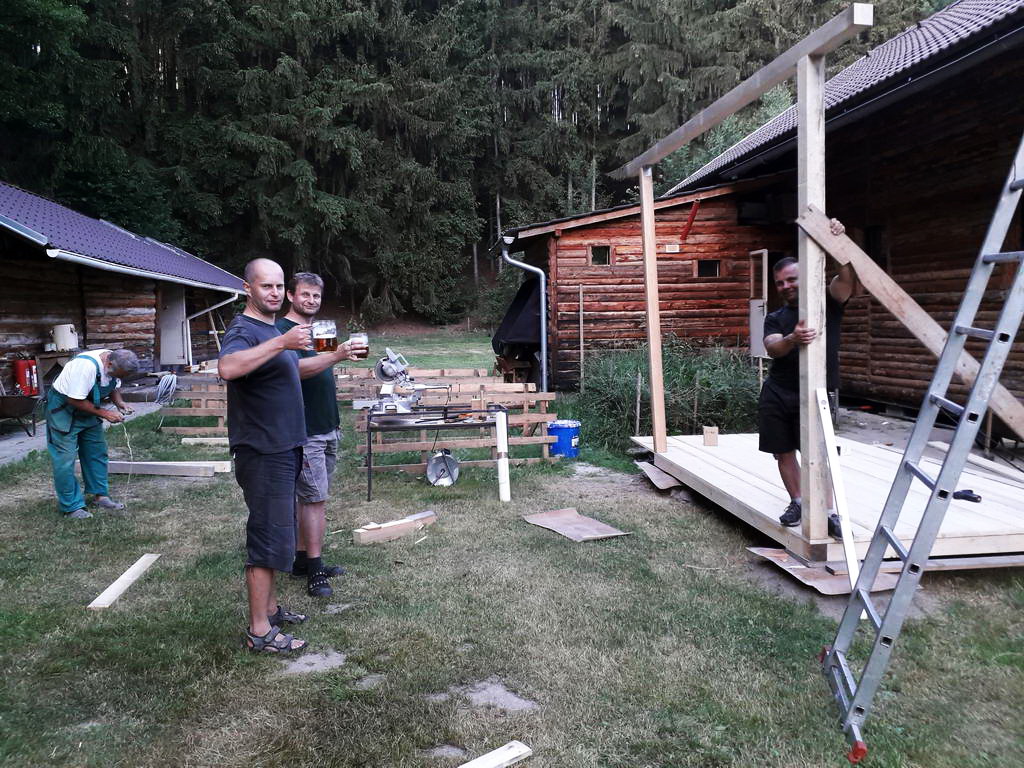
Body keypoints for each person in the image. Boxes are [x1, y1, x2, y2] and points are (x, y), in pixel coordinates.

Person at [758, 219, 855, 536]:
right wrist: (792, 339)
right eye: (780, 283)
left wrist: (837, 242)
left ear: (806, 277)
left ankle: (828, 513)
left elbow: (847, 278)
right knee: (782, 451)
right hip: (778, 390)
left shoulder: (829, 301)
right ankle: (798, 501)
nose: (786, 286)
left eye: (792, 279)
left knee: (820, 455)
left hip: (817, 392)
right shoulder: (775, 317)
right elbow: (772, 347)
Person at [276, 272, 368, 598]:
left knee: (310, 497)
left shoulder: (319, 331)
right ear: (290, 296)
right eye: (305, 294)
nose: (311, 300)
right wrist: (338, 354)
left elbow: (321, 366)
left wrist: (336, 355)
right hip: (306, 429)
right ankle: (315, 570)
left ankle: (302, 560)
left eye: (316, 295)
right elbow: (295, 371)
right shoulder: (282, 332)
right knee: (315, 499)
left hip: (327, 424)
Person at [46, 348, 139, 519]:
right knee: (65, 459)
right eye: (119, 374)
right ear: (109, 364)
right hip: (64, 409)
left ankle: (100, 496)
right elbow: (74, 399)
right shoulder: (86, 367)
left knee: (96, 452)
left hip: (87, 407)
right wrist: (106, 413)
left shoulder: (116, 362)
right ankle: (72, 506)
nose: (120, 378)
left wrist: (120, 403)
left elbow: (113, 385)